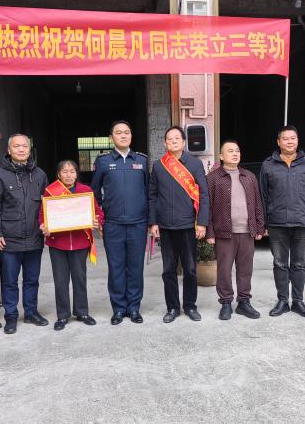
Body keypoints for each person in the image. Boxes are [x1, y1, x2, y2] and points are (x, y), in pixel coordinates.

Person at [0, 134, 48, 335]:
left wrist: (48, 224)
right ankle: (11, 316)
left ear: (30, 149)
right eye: (17, 146)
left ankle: (31, 312)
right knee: (10, 281)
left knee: (32, 280)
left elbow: (47, 204)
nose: (21, 149)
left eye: (25, 146)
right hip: (9, 239)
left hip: (34, 237)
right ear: (9, 150)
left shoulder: (39, 174)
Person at [259, 126, 305, 319]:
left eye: (293, 138)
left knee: (299, 263)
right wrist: (263, 223)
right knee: (280, 263)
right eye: (285, 138)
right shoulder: (268, 165)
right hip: (277, 223)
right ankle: (282, 301)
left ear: (297, 140)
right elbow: (262, 196)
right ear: (278, 142)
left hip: (302, 222)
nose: (289, 141)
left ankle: (298, 301)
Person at [149, 126, 209, 323]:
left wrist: (202, 222)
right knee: (168, 270)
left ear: (183, 142)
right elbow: (152, 196)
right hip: (166, 227)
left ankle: (190, 306)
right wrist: (153, 222)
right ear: (165, 143)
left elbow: (203, 194)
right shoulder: (159, 166)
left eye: (177, 138)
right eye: (170, 139)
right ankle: (173, 307)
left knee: (190, 269)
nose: (173, 141)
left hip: (189, 226)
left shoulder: (195, 164)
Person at [91, 120, 148, 325]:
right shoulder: (103, 162)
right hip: (113, 224)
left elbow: (149, 192)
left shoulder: (142, 161)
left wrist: (151, 221)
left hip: (138, 223)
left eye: (126, 132)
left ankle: (134, 307)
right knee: (116, 267)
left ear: (131, 136)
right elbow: (94, 193)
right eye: (118, 132)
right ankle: (118, 308)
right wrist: (99, 218)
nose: (123, 135)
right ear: (111, 137)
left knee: (135, 267)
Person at [38, 160, 104, 331]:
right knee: (60, 281)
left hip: (80, 242)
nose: (68, 175)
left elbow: (97, 212)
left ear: (76, 174)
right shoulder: (50, 191)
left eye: (72, 171)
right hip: (58, 244)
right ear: (58, 175)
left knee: (79, 279)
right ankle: (62, 315)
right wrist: (44, 225)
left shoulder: (85, 191)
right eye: (65, 172)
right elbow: (43, 214)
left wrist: (97, 221)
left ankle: (82, 312)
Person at [205, 141, 265, 320]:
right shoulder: (213, 178)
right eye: (230, 151)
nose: (235, 154)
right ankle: (225, 302)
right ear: (221, 156)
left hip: (247, 231)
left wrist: (259, 226)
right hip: (224, 232)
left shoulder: (249, 176)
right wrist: (209, 232)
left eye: (237, 150)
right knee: (224, 270)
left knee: (245, 269)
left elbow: (258, 203)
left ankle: (244, 302)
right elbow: (207, 207)